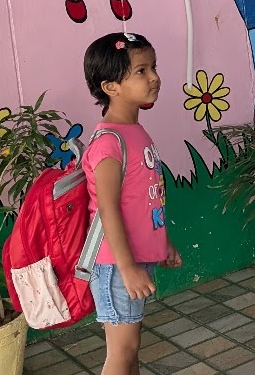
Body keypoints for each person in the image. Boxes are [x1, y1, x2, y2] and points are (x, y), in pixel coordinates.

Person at [81, 32, 182, 375]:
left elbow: (143, 201)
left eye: (153, 67)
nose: (154, 77)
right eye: (141, 71)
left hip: (133, 259)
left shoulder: (135, 132)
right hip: (115, 265)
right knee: (121, 352)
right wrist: (126, 268)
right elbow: (107, 209)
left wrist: (162, 241)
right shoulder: (109, 142)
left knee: (130, 349)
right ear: (111, 86)